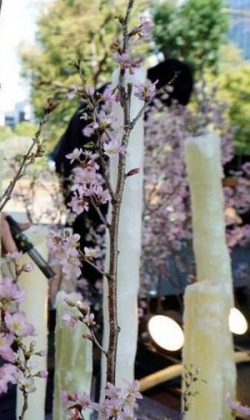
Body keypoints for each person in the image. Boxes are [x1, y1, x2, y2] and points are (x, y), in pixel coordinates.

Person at [49, 58, 194, 308]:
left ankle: (97, 290)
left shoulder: (125, 92)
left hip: (85, 168)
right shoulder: (130, 98)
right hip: (85, 171)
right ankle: (96, 294)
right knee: (95, 231)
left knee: (94, 231)